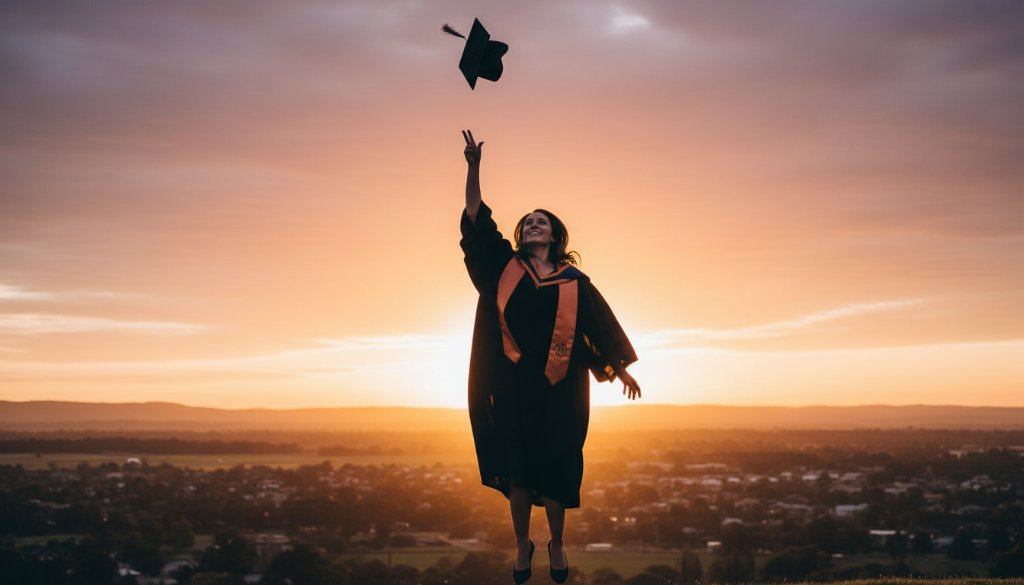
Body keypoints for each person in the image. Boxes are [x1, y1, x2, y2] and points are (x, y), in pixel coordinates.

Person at [459, 129, 641, 584]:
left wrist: (618, 369)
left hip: (560, 389)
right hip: (514, 384)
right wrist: (474, 167)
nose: (533, 225)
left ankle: (557, 543)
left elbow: (598, 326)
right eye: (528, 222)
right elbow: (478, 221)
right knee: (519, 472)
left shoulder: (575, 282)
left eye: (542, 221)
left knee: (558, 470)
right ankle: (523, 544)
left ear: (556, 234)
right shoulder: (506, 268)